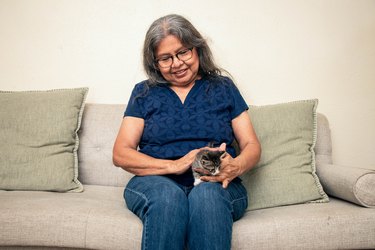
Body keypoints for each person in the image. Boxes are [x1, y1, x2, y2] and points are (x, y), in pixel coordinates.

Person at [113, 14, 261, 250]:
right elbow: (121, 153)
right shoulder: (144, 93)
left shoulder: (223, 87)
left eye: (183, 52)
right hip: (155, 181)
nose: (177, 63)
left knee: (206, 196)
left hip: (214, 181)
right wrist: (174, 165)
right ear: (154, 63)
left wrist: (236, 166)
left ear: (197, 49)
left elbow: (252, 145)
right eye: (165, 58)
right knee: (168, 198)